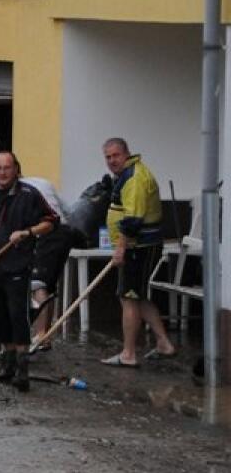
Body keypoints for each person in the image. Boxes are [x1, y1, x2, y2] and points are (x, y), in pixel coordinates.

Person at [0, 151, 57, 392]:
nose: (3, 172)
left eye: (7, 168)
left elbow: (50, 221)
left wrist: (27, 233)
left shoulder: (29, 195)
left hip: (18, 264)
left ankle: (22, 370)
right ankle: (7, 367)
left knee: (18, 314)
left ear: (16, 168)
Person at [100, 137, 176, 368]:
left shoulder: (134, 178)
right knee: (138, 296)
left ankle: (128, 353)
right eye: (108, 157)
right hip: (138, 246)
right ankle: (164, 343)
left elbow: (132, 220)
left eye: (116, 155)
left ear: (126, 153)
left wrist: (121, 248)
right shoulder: (129, 173)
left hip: (137, 247)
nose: (112, 160)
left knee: (129, 298)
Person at [20, 175, 76, 352]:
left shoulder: (19, 192)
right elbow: (68, 211)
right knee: (48, 286)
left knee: (37, 284)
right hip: (65, 233)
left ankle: (42, 335)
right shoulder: (42, 182)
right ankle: (45, 335)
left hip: (48, 233)